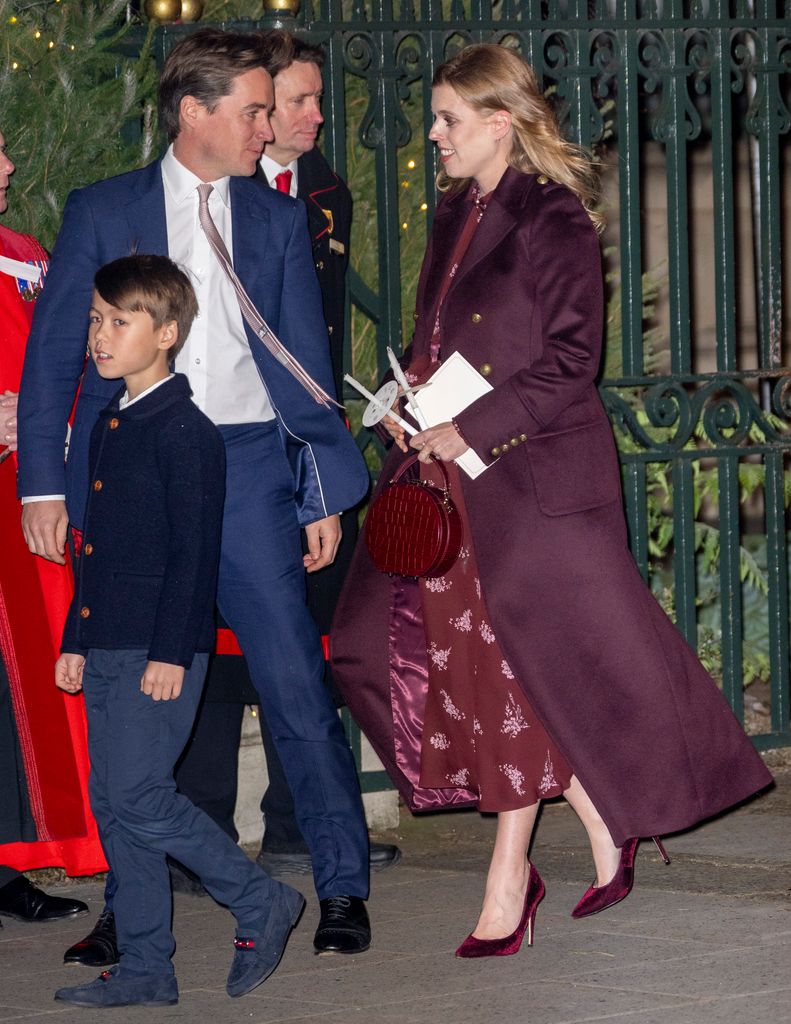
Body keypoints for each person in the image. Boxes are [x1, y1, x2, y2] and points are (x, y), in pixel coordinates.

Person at [331, 43, 773, 957]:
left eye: (449, 118)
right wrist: (407, 409)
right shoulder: (457, 208)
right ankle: (601, 815)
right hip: (448, 475)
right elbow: (441, 344)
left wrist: (471, 426)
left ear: (500, 121)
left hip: (531, 477)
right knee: (369, 645)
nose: (435, 133)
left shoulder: (554, 215)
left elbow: (573, 363)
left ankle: (509, 879)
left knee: (525, 664)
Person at [17, 28, 372, 965]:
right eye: (254, 109)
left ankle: (339, 882)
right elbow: (55, 354)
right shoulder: (105, 210)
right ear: (195, 111)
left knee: (295, 681)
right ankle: (131, 913)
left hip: (251, 471)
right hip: (131, 475)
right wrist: (44, 486)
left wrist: (316, 490)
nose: (269, 126)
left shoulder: (277, 219)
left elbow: (305, 367)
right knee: (126, 698)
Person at [173, 28, 400, 882]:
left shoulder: (323, 191)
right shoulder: (188, 192)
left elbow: (312, 337)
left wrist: (323, 458)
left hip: (297, 448)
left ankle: (303, 826)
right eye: (285, 103)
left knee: (307, 645)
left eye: (306, 101)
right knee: (210, 649)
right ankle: (195, 836)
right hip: (217, 449)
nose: (303, 119)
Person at [52, 254, 307, 1008]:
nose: (100, 336)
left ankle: (259, 897)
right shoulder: (109, 422)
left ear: (164, 334)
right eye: (96, 320)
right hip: (106, 642)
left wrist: (171, 653)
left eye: (119, 322)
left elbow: (192, 554)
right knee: (116, 804)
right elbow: (95, 546)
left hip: (158, 649)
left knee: (139, 796)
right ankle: (143, 966)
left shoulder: (186, 432)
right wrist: (75, 636)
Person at [0, 127, 99, 927]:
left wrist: (41, 425)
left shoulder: (24, 253)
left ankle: (13, 859)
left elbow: (64, 361)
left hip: (25, 499)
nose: (7, 166)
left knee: (22, 696)